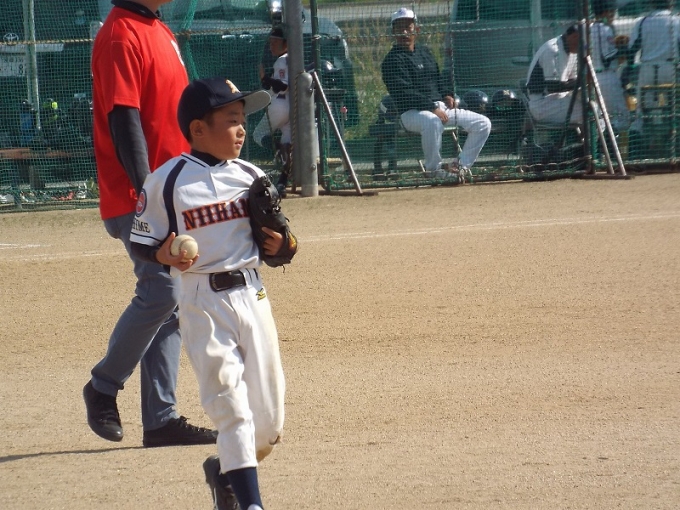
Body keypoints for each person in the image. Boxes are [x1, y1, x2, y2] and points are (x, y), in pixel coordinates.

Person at [129, 77, 287, 510]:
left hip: (253, 297)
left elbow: (278, 239)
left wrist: (283, 246)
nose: (241, 129)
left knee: (268, 424)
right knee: (230, 407)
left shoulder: (251, 175)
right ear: (198, 129)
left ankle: (225, 471)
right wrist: (162, 253)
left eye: (243, 120)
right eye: (232, 120)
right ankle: (252, 503)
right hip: (202, 299)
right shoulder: (168, 180)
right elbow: (142, 240)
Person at [83, 0, 216, 448]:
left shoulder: (158, 29)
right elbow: (124, 121)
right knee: (162, 292)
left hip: (172, 190)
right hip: (138, 195)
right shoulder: (121, 34)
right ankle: (102, 386)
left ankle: (160, 420)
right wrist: (148, 197)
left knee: (172, 303)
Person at [380, 7, 491, 179]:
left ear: (416, 29)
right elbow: (404, 92)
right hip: (411, 113)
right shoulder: (392, 60)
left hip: (439, 109)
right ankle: (433, 170)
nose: (404, 32)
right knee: (432, 122)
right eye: (399, 28)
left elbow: (438, 79)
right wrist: (432, 107)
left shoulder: (424, 52)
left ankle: (459, 166)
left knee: (483, 123)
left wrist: (447, 94)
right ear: (393, 32)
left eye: (408, 27)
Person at [627, 0, 680, 131]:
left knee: (643, 110)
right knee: (674, 107)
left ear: (652, 3)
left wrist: (630, 69)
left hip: (647, 69)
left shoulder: (642, 22)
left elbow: (632, 50)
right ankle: (673, 133)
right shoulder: (676, 21)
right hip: (670, 68)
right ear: (670, 4)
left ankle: (644, 136)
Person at [253, 28, 291, 198]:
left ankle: (279, 152)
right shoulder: (294, 58)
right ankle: (282, 183)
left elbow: (282, 87)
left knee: (258, 135)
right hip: (293, 107)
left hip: (279, 104)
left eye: (275, 42)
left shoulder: (282, 60)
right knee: (288, 146)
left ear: (286, 44)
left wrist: (264, 78)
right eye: (270, 42)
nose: (271, 46)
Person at [526, 25, 584, 126]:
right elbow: (553, 87)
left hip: (557, 101)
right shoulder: (553, 50)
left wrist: (583, 83)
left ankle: (585, 136)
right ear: (574, 36)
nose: (585, 45)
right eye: (583, 41)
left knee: (592, 104)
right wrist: (583, 81)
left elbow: (572, 81)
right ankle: (592, 136)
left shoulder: (572, 51)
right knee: (590, 110)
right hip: (542, 104)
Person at [590, 0, 631, 133]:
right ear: (606, 12)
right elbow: (607, 57)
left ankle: (603, 142)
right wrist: (623, 49)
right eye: (612, 12)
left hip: (592, 77)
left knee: (600, 118)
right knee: (622, 118)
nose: (614, 15)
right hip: (607, 77)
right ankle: (610, 139)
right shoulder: (606, 29)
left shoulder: (588, 28)